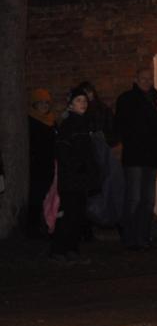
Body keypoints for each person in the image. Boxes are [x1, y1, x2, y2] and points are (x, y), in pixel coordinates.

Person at [115, 67, 157, 251]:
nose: (147, 81)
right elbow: (122, 125)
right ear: (136, 79)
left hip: (151, 156)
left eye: (149, 78)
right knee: (134, 198)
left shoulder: (155, 100)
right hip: (135, 155)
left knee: (148, 201)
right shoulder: (127, 99)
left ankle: (143, 237)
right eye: (143, 78)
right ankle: (129, 237)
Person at [51, 88, 100, 263]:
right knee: (69, 214)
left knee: (78, 215)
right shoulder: (68, 125)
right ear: (70, 104)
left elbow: (89, 153)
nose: (83, 103)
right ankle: (59, 249)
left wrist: (91, 173)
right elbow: (64, 152)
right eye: (79, 100)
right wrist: (77, 167)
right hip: (71, 179)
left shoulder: (85, 124)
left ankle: (72, 248)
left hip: (81, 179)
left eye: (84, 100)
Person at [28, 88, 57, 238]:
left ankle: (47, 225)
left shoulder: (51, 121)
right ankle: (34, 228)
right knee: (37, 197)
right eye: (41, 103)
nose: (44, 106)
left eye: (47, 103)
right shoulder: (31, 121)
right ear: (34, 104)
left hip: (50, 164)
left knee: (49, 198)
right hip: (37, 165)